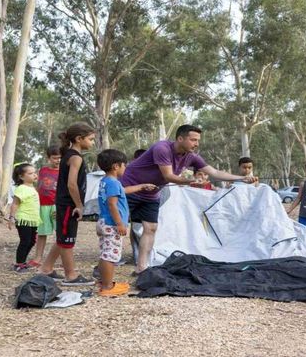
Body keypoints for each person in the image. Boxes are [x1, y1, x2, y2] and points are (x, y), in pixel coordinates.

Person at [120, 124, 258, 275]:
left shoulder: (191, 156)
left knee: (150, 228)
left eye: (198, 140)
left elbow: (214, 172)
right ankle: (105, 266)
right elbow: (168, 176)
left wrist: (242, 178)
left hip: (151, 194)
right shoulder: (162, 148)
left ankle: (142, 268)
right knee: (114, 228)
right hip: (130, 188)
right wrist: (189, 181)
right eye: (193, 140)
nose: (197, 144)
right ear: (180, 138)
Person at [38, 122, 96, 286]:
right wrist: (79, 205)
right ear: (79, 139)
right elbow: (72, 184)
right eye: (90, 139)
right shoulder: (75, 157)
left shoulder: (70, 155)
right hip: (69, 204)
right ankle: (71, 276)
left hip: (65, 203)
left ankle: (46, 269)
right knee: (67, 240)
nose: (92, 143)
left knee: (62, 238)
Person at [96, 149, 156, 296]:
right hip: (112, 224)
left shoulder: (106, 181)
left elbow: (123, 191)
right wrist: (120, 224)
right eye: (124, 165)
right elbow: (112, 204)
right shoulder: (113, 183)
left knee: (106, 253)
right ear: (116, 166)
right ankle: (108, 287)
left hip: (104, 222)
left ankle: (104, 282)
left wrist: (142, 186)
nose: (125, 168)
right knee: (110, 255)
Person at [8, 163, 41, 273]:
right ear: (21, 177)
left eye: (34, 173)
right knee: (25, 241)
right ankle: (19, 264)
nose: (34, 175)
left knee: (31, 241)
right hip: (24, 220)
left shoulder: (32, 188)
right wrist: (11, 217)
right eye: (30, 173)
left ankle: (23, 262)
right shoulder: (21, 188)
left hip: (32, 220)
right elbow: (15, 204)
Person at [31, 145, 61, 266]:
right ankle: (38, 258)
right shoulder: (42, 170)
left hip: (57, 205)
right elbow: (39, 186)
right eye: (54, 158)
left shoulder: (64, 171)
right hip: (42, 205)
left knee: (61, 233)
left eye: (60, 158)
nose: (58, 160)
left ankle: (64, 258)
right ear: (48, 158)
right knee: (42, 233)